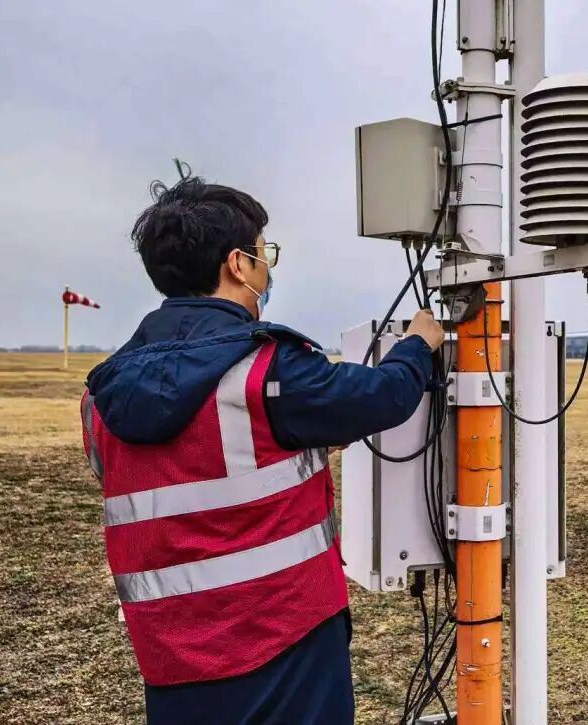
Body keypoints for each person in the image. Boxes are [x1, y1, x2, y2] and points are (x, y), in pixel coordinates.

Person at [79, 175, 444, 724]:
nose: (267, 268)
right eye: (263, 253)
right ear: (237, 264)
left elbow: (187, 468)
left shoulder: (101, 395)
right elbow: (382, 396)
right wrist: (419, 345)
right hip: (284, 640)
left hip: (170, 656)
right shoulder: (266, 369)